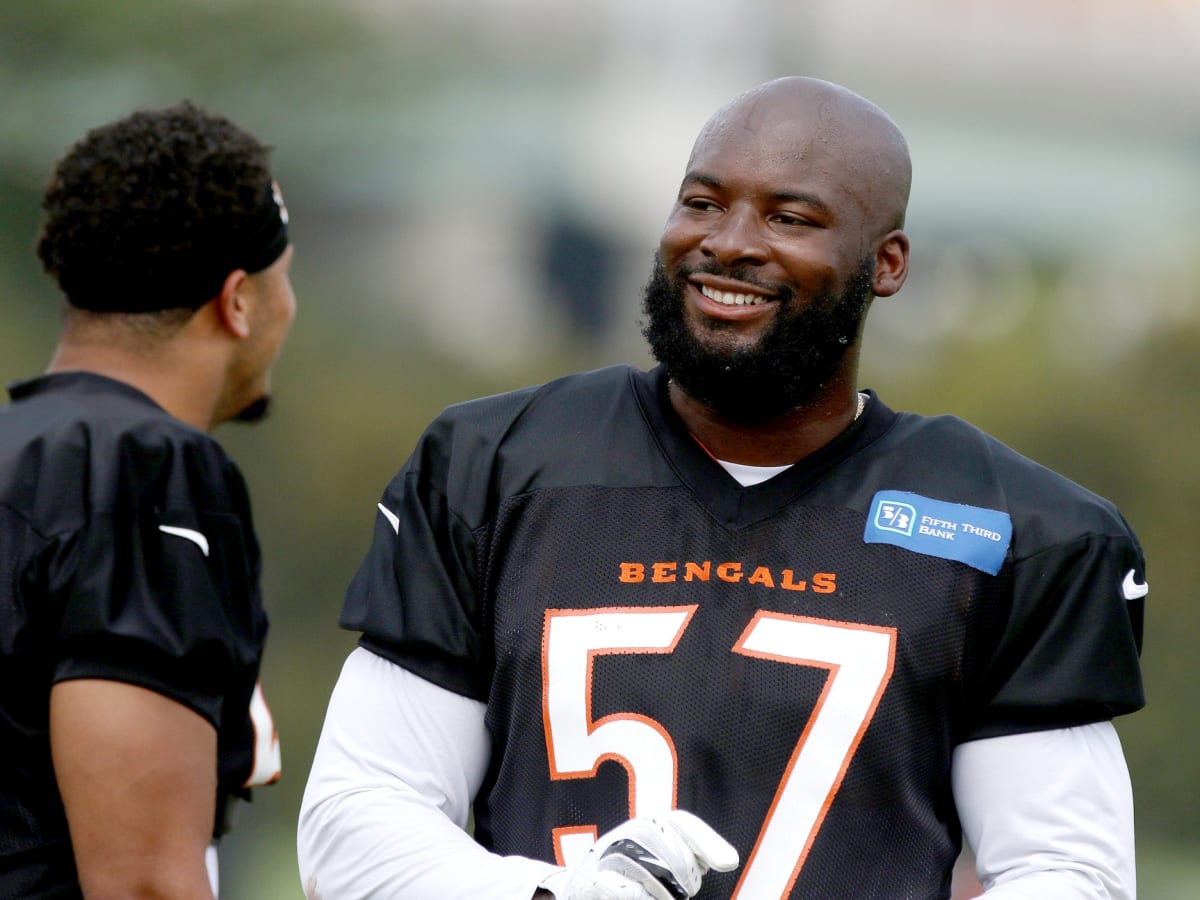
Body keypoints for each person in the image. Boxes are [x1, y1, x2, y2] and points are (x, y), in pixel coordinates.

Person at [297, 76, 1146, 899]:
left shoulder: (1015, 530)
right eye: (702, 202)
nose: (729, 241)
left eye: (790, 216)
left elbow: (1066, 871)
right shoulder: (493, 467)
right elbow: (359, 821)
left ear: (886, 265)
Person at [0, 101, 295, 897]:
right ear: (237, 302)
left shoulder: (26, 452)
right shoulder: (138, 466)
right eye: (284, 277)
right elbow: (142, 881)